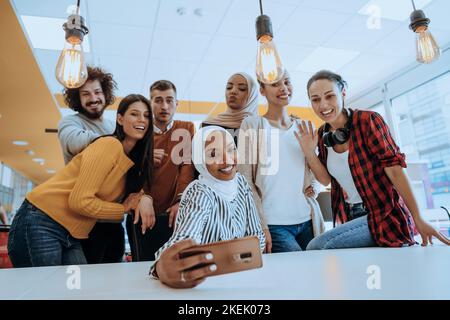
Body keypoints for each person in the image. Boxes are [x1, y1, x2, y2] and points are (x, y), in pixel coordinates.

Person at [295, 70, 450, 249]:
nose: (323, 105)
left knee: (317, 246)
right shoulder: (323, 135)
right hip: (350, 215)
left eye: (330, 96)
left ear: (343, 93)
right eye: (315, 99)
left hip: (383, 215)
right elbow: (326, 180)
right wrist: (309, 152)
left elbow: (395, 171)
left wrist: (418, 218)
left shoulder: (368, 121)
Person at [7, 94, 156, 267]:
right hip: (42, 219)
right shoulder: (109, 145)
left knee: (78, 290)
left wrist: (146, 198)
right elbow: (80, 201)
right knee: (47, 292)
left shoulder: (133, 163)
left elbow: (135, 195)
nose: (142, 119)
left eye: (146, 115)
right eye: (135, 114)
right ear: (120, 119)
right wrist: (122, 209)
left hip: (73, 233)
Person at [152, 126, 265, 288]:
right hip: (205, 283)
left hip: (239, 279)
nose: (227, 160)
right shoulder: (200, 192)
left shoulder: (240, 182)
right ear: (200, 160)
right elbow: (183, 241)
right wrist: (162, 267)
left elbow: (257, 237)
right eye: (213, 154)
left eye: (231, 149)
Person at [238, 71, 324, 253]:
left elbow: (315, 168)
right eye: (275, 84)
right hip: (274, 225)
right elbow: (245, 181)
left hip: (308, 220)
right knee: (297, 274)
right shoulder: (252, 125)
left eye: (287, 82)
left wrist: (315, 187)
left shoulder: (304, 126)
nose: (284, 88)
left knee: (316, 273)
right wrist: (261, 226)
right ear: (262, 90)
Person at [58, 66, 125, 264]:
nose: (93, 98)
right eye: (86, 94)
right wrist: (124, 144)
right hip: (84, 222)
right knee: (84, 285)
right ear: (77, 98)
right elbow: (73, 141)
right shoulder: (70, 122)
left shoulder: (115, 126)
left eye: (97, 92)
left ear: (105, 94)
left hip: (114, 221)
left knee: (113, 284)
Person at [126, 80, 195, 261]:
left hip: (175, 215)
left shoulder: (187, 128)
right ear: (150, 104)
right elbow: (125, 172)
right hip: (142, 215)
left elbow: (187, 167)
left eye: (169, 100)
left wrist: (182, 200)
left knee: (175, 269)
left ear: (176, 103)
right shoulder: (139, 131)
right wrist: (144, 158)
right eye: (158, 100)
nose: (164, 106)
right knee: (143, 270)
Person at [202, 72, 258, 146]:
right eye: (229, 87)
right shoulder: (208, 124)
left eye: (242, 89)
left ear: (252, 96)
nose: (233, 91)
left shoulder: (256, 128)